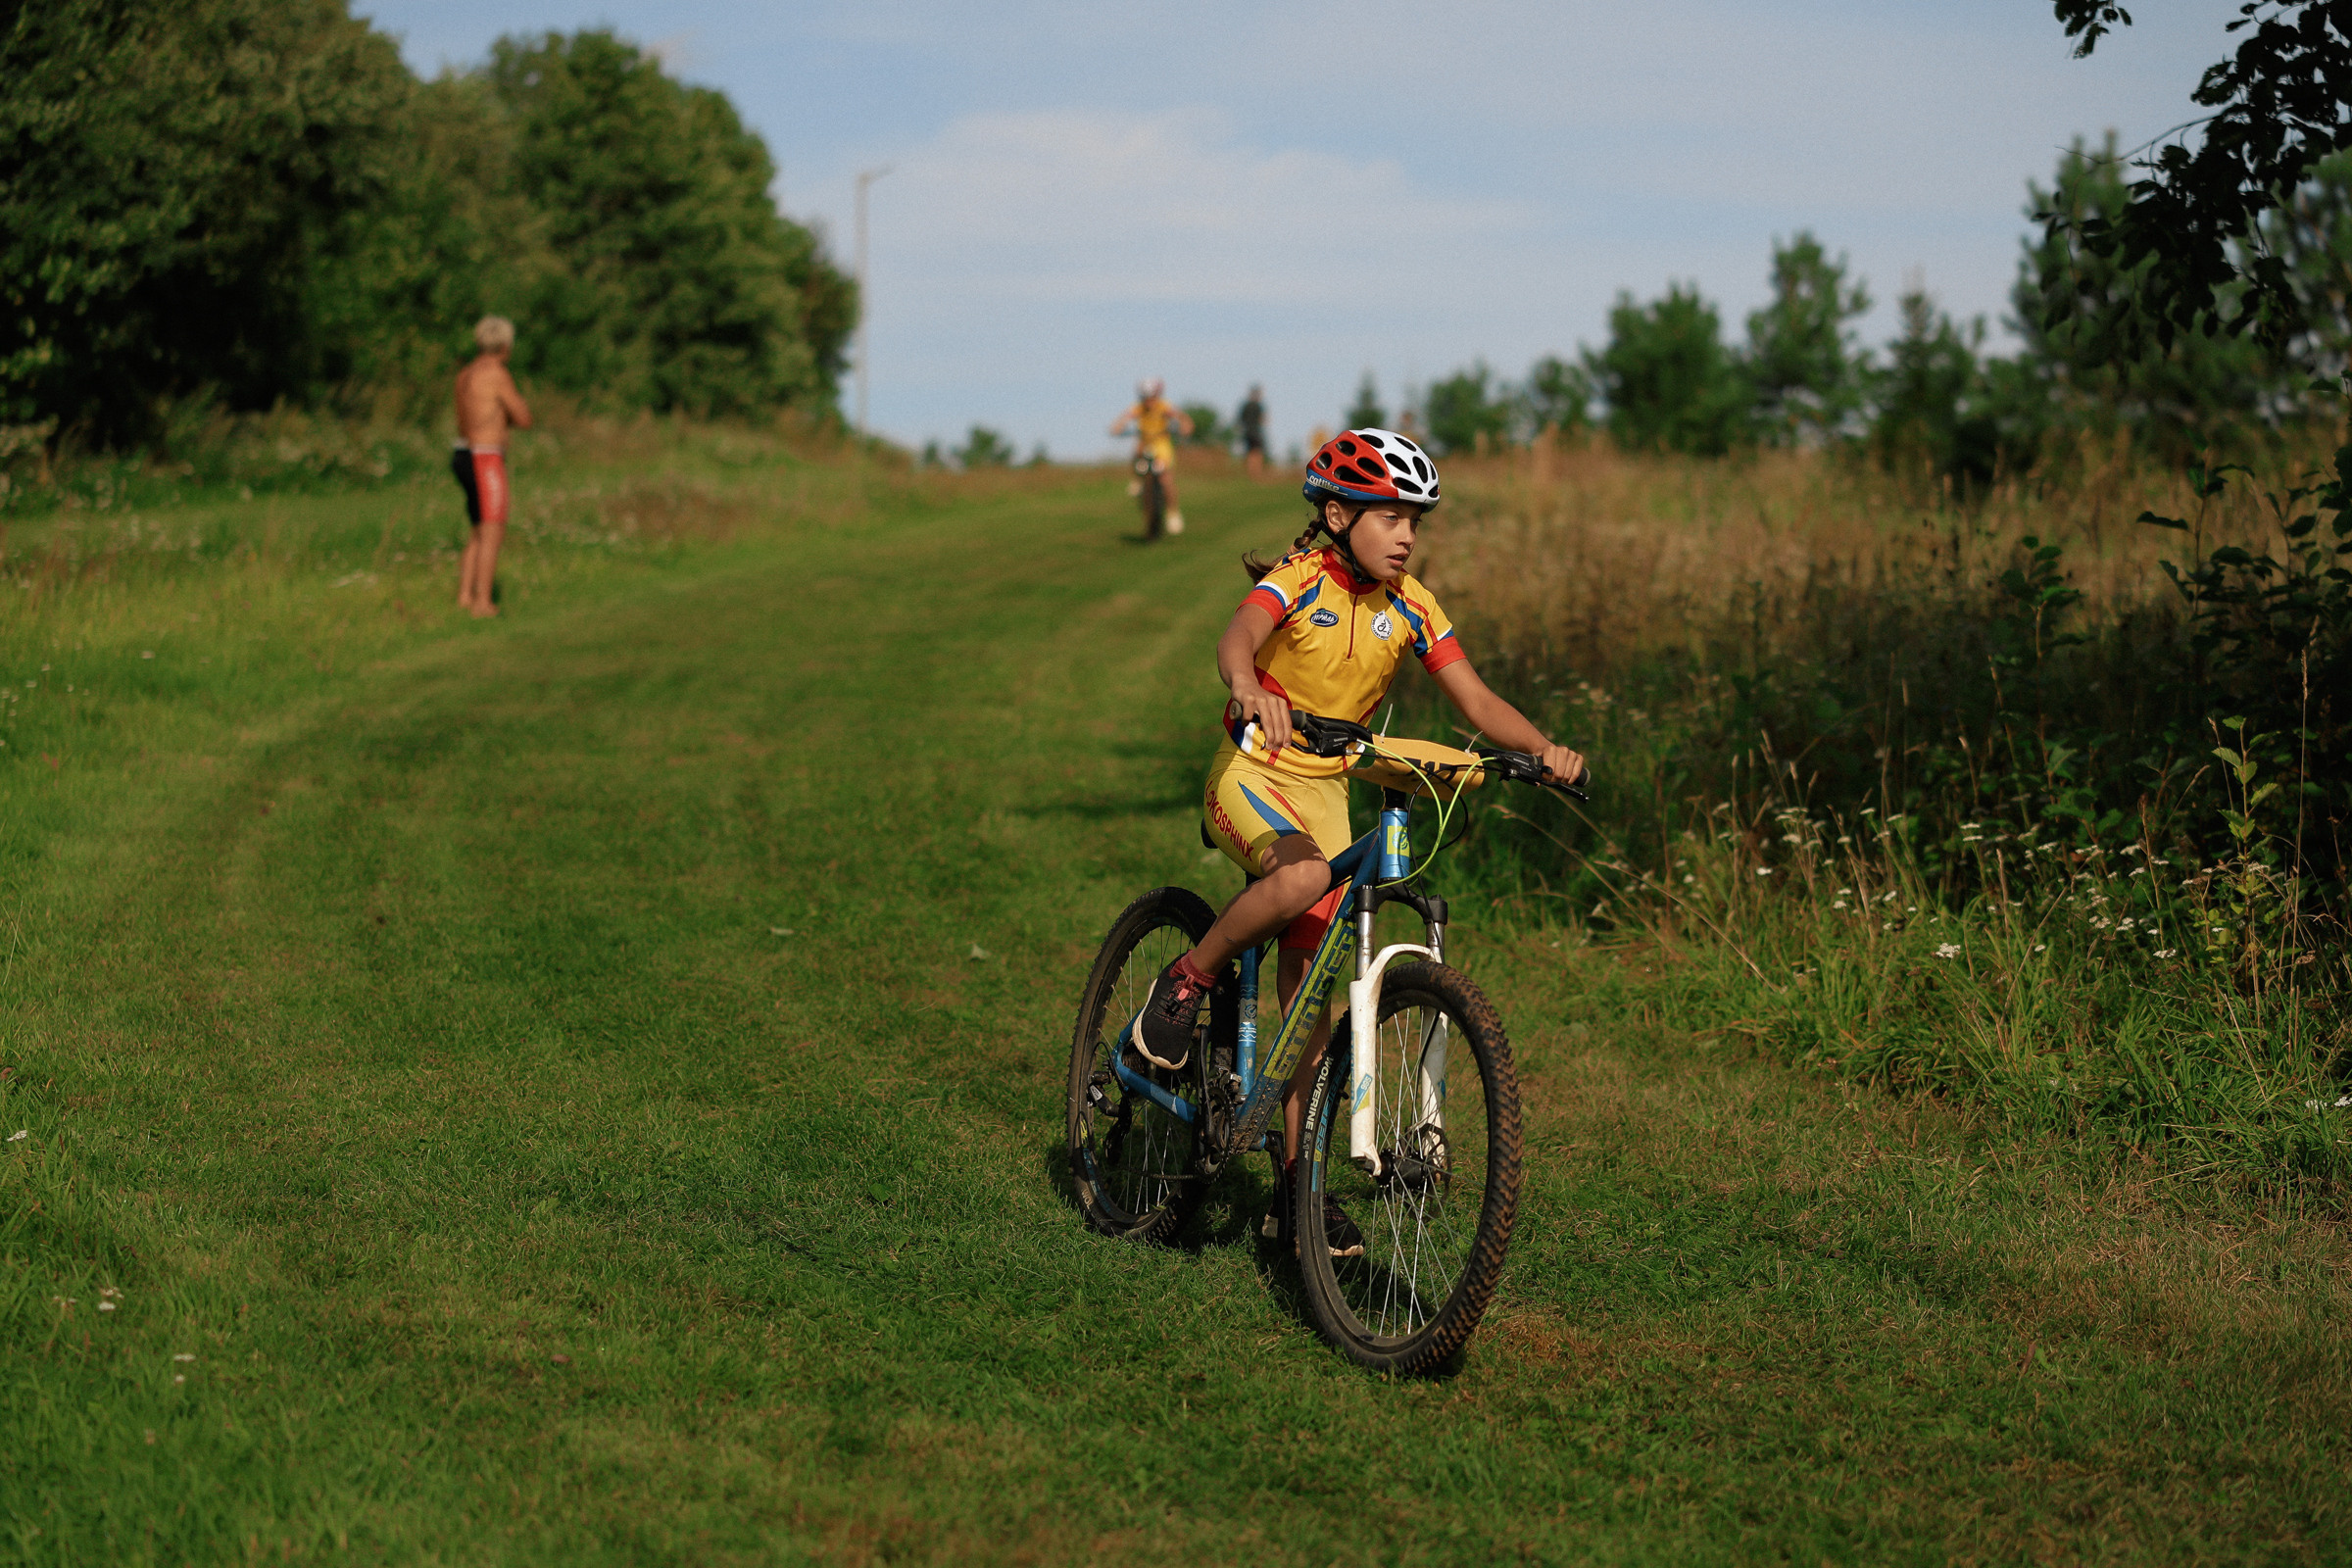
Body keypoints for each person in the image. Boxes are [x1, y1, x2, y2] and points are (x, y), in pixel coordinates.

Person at [1126, 428, 1587, 1253]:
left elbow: (1477, 704)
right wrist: (1244, 687)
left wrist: (1544, 751)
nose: (1407, 533)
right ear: (1338, 515)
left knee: (1311, 995)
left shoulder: (1412, 605)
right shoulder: (1296, 580)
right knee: (1301, 881)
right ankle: (1188, 978)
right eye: (1389, 516)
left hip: (1332, 790)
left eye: (1416, 519)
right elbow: (1237, 638)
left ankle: (1291, 1196)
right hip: (1257, 773)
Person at [452, 316, 533, 618]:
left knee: (476, 530)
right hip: (486, 457)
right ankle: (483, 603)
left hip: (461, 454)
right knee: (492, 530)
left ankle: (464, 594)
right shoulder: (497, 374)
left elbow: (466, 418)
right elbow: (523, 417)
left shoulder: (465, 374)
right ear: (505, 346)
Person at [1109, 377, 1194, 535]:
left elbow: (1181, 417)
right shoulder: (1138, 408)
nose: (1149, 401)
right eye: (1145, 397)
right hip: (1145, 442)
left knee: (1165, 479)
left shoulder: (1164, 406)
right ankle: (1138, 480)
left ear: (1158, 395)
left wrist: (1186, 426)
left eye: (1152, 396)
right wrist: (1117, 427)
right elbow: (1124, 418)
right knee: (1137, 451)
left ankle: (1173, 513)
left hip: (1162, 445)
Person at [1236, 384, 1268, 478]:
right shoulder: (1258, 406)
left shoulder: (1245, 406)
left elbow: (1240, 419)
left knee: (1249, 452)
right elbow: (1262, 420)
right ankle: (1257, 473)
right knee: (1257, 452)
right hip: (1256, 432)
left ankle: (1251, 473)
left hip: (1247, 432)